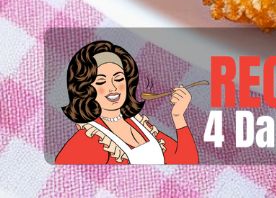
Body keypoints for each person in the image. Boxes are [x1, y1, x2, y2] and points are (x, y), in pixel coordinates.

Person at [54, 39, 198, 165]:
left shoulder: (140, 125)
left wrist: (178, 117)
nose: (113, 88)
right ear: (85, 89)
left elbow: (186, 164)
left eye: (118, 79)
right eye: (101, 81)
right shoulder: (89, 139)